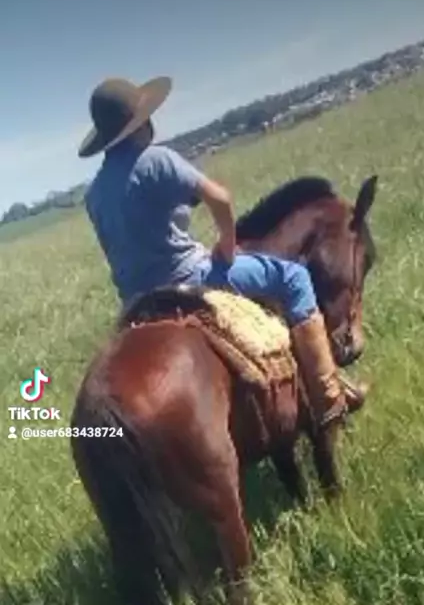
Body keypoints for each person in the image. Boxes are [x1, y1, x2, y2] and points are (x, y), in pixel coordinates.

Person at [78, 76, 367, 436]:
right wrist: (227, 246)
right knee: (293, 278)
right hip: (190, 277)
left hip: (135, 302)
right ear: (139, 124)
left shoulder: (94, 193)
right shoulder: (156, 159)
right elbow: (220, 199)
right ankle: (329, 398)